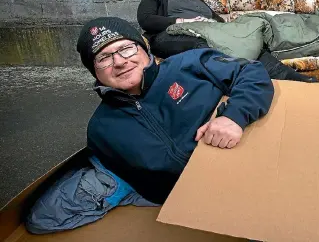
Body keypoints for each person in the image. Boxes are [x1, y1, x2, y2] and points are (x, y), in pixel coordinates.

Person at [76, 17, 274, 205]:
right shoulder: (100, 130)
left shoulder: (190, 63)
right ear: (94, 71)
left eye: (126, 49)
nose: (119, 62)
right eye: (104, 58)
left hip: (258, 165)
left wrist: (234, 117)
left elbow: (250, 71)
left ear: (144, 49)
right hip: (196, 208)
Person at [137, 0, 318, 83]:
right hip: (172, 35)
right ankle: (240, 80)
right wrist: (185, 20)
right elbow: (146, 20)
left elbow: (217, 21)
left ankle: (289, 77)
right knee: (204, 43)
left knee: (248, 42)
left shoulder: (197, 0)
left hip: (210, 30)